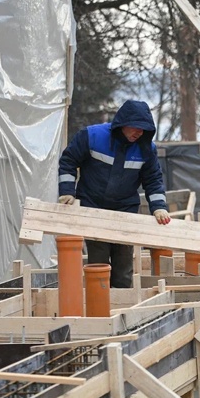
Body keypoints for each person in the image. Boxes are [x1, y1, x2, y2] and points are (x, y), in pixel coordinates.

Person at [58, 99, 171, 288]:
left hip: (124, 210)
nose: (139, 133)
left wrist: (159, 208)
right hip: (93, 207)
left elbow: (153, 180)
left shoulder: (146, 149)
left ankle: (122, 310)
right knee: (99, 262)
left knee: (123, 267)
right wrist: (67, 192)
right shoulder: (92, 136)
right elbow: (68, 161)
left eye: (144, 129)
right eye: (136, 127)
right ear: (123, 124)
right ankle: (99, 306)